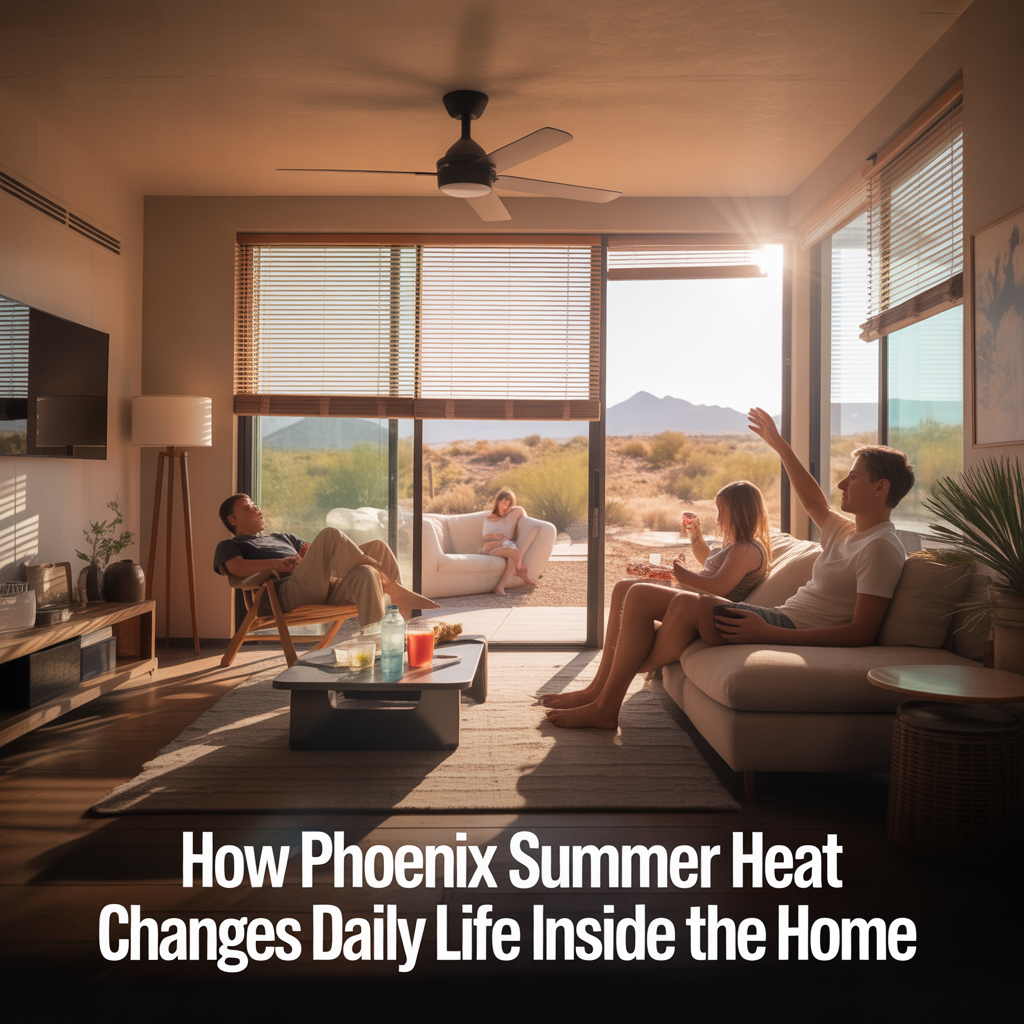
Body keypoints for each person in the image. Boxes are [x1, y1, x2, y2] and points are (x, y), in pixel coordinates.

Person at [542, 407, 914, 729]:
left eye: (854, 477)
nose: (842, 483)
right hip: (777, 617)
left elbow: (862, 632)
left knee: (653, 596)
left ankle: (606, 707)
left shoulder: (881, 547)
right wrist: (779, 445)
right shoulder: (846, 531)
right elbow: (811, 496)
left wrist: (770, 634)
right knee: (629, 589)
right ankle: (597, 692)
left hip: (782, 628)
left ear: (881, 488)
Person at [214, 494, 438, 628]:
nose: (256, 508)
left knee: (372, 558)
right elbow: (236, 568)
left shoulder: (283, 537)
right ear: (232, 519)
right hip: (287, 592)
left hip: (322, 585)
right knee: (330, 533)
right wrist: (276, 565)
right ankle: (395, 590)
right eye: (248, 507)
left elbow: (320, 551)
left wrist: (307, 557)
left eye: (254, 504)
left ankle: (376, 641)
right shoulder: (231, 545)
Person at [480, 488, 538, 595]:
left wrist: (510, 510)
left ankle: (500, 587)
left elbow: (520, 510)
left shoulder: (511, 516)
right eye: (502, 502)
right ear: (497, 502)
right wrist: (495, 536)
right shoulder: (489, 517)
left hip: (505, 547)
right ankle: (518, 570)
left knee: (512, 556)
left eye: (508, 504)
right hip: (490, 547)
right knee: (515, 552)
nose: (504, 506)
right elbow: (484, 537)